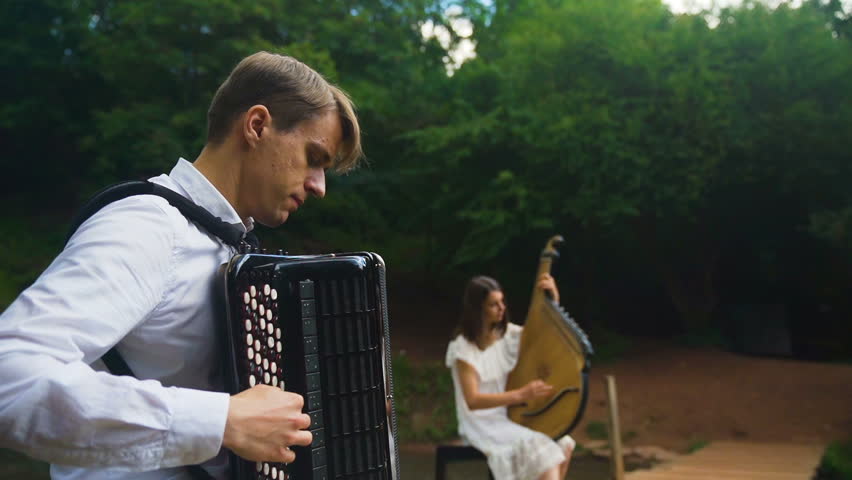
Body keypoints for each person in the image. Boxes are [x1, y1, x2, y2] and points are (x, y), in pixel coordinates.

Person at [0, 51, 363, 479]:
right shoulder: (149, 227)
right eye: (314, 157)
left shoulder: (232, 247)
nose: (319, 187)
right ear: (257, 126)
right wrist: (220, 421)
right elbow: (11, 377)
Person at [446, 274, 575, 480]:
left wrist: (554, 300)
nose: (501, 308)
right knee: (544, 449)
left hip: (510, 417)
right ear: (478, 309)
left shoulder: (508, 335)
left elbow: (544, 335)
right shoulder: (463, 348)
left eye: (502, 302)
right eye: (493, 304)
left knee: (563, 441)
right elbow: (473, 400)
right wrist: (522, 395)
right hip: (481, 424)